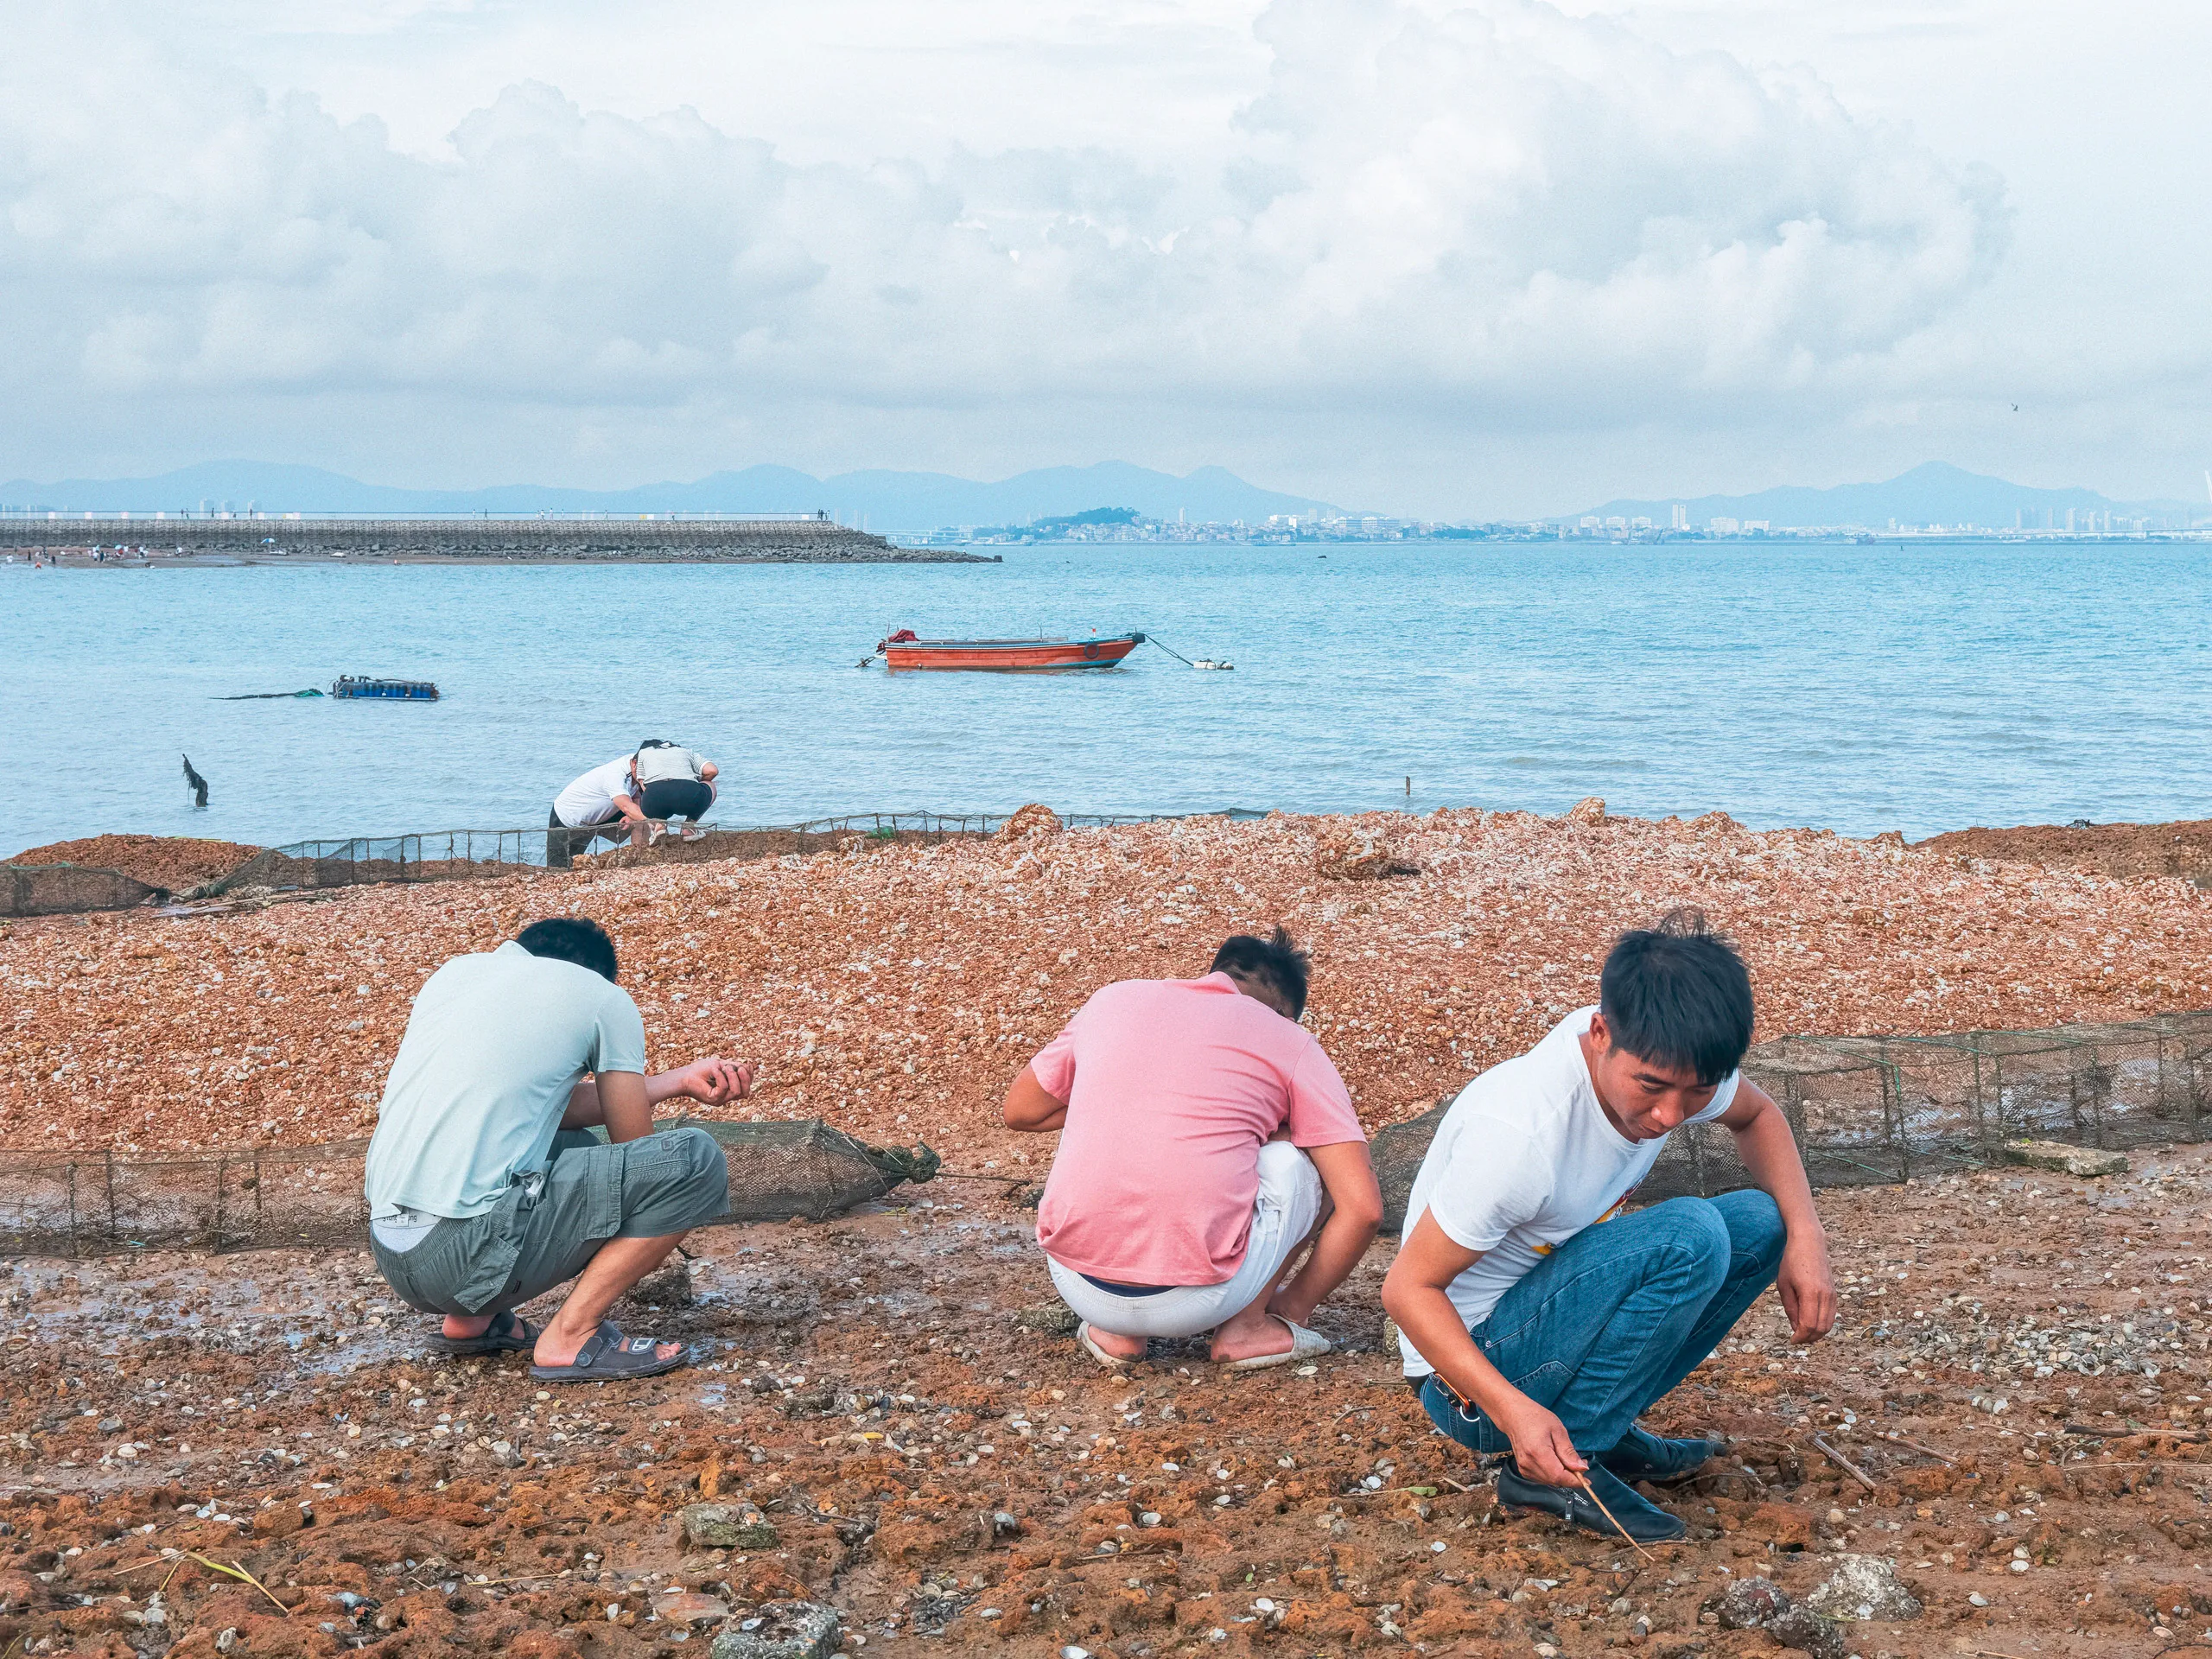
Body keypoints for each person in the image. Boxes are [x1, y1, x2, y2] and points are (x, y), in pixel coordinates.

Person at [1382, 912, 1836, 1542]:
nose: (1669, 1115)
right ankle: (1558, 1464)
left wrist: (1808, 1237)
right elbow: (1406, 1292)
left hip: (1547, 1320)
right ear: (1600, 1033)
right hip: (1465, 1383)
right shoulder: (1521, 1135)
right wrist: (1515, 1416)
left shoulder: (1675, 1050)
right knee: (1690, 1234)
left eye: (1696, 1092)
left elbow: (1759, 1116)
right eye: (1651, 1087)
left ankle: (1602, 1430)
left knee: (1764, 1222)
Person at [363, 917, 753, 1381]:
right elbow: (638, 1148)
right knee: (692, 1160)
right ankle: (571, 1335)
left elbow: (536, 1109)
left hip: (393, 1253)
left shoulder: (453, 976)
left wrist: (676, 1081)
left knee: (561, 1142)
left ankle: (471, 1321)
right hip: (462, 1257)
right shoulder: (602, 996)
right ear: (596, 972)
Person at [1003, 928, 1382, 1370]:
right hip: (1201, 1300)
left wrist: (1129, 1102)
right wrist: (1294, 1306)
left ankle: (1118, 1333)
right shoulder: (1287, 1038)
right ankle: (1253, 1326)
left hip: (1079, 1286)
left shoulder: (1113, 1000)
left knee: (1095, 1119)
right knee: (1308, 1159)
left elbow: (1021, 1111)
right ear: (1283, 1011)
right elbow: (1364, 1208)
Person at [631, 739, 720, 843]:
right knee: (711, 785)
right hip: (688, 794)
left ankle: (660, 827)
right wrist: (698, 781)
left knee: (653, 794)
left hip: (653, 800)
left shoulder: (643, 752)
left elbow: (642, 783)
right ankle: (688, 828)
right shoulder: (685, 751)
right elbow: (712, 770)